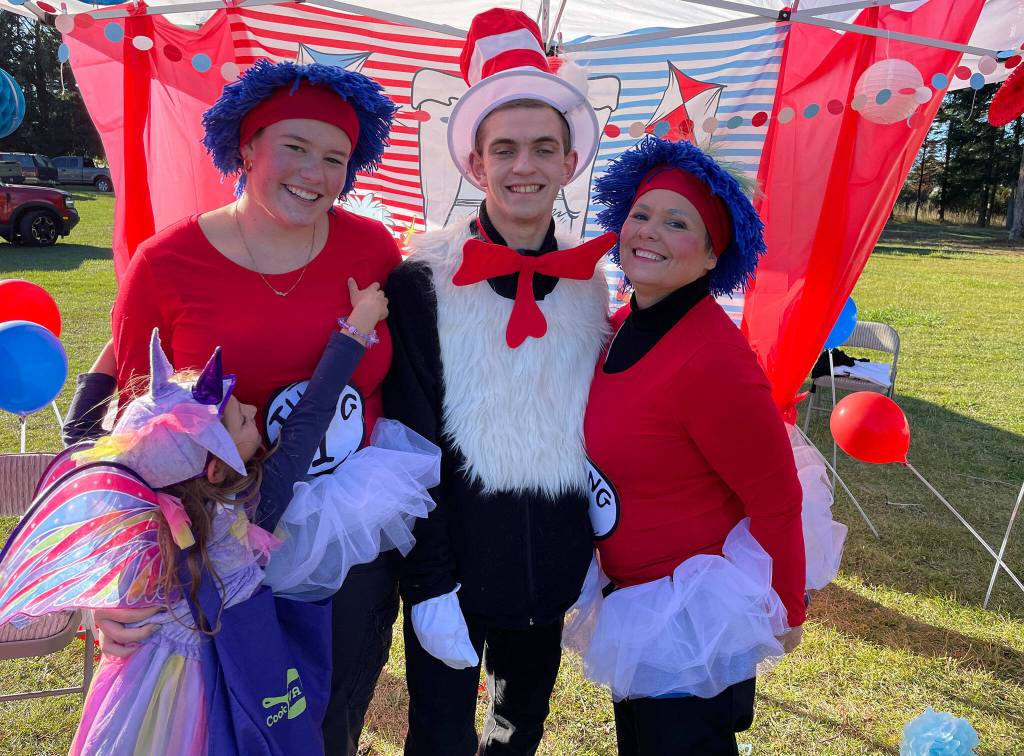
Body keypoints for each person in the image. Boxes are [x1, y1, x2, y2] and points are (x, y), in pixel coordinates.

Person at [98, 59, 404, 753]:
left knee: (328, 719)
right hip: (212, 545)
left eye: (336, 157)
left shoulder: (373, 248)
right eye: (295, 147)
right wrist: (118, 575)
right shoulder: (166, 263)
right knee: (224, 724)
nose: (315, 173)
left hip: (346, 535)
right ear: (247, 146)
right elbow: (125, 429)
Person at [0, 277, 437, 754]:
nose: (253, 406)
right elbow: (309, 421)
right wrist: (357, 328)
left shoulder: (134, 510)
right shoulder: (246, 513)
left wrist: (117, 344)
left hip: (137, 688)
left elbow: (82, 438)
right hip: (221, 689)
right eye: (244, 421)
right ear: (215, 465)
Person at [383, 9, 614, 755]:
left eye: (543, 148)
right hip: (452, 569)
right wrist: (429, 584)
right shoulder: (422, 282)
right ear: (476, 166)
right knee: (440, 738)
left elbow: (597, 430)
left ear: (568, 161)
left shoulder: (593, 286)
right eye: (505, 149)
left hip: (550, 567)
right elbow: (409, 441)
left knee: (521, 733)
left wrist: (587, 555)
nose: (525, 167)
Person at [563, 136, 807, 756]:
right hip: (634, 598)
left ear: (709, 258)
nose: (649, 231)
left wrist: (788, 609)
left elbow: (776, 496)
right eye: (641, 214)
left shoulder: (715, 359)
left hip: (691, 612)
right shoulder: (621, 324)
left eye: (678, 223)